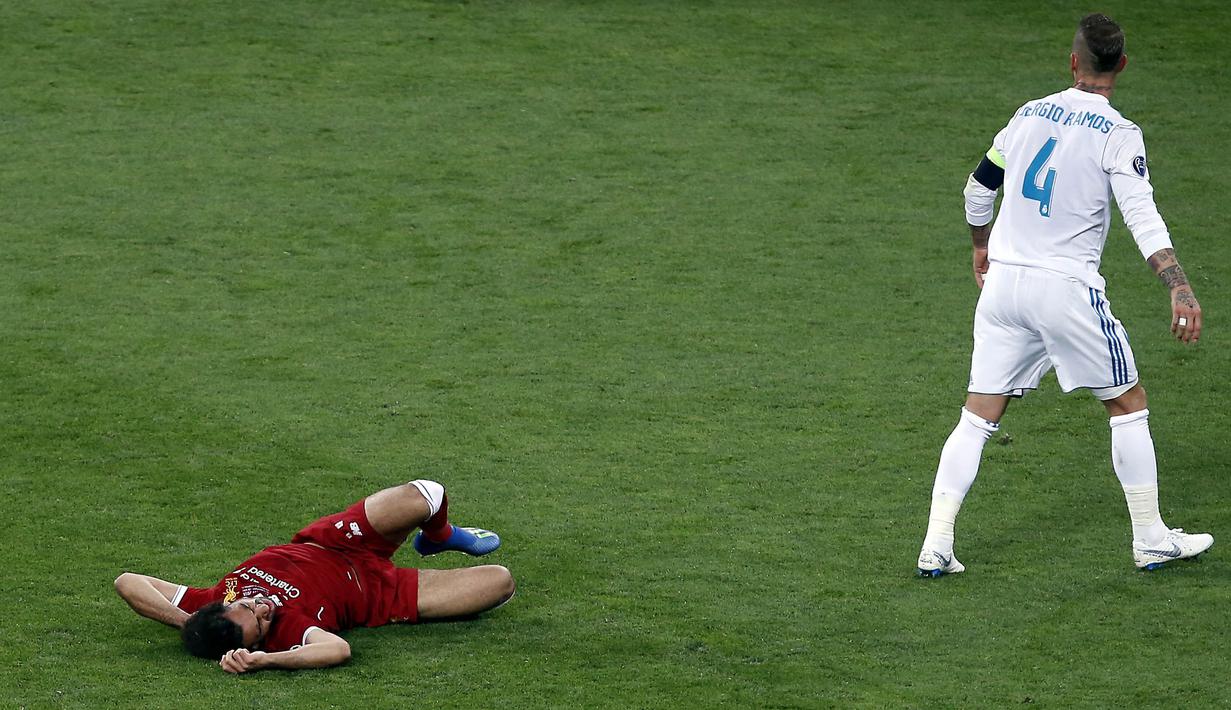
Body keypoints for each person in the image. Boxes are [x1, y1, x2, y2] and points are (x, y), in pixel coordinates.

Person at [916, 13, 1213, 577]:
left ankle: (937, 543)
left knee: (977, 415)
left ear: (1073, 61)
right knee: (1128, 404)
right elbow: (1141, 215)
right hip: (1065, 289)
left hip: (1003, 287)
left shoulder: (1026, 116)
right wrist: (1179, 286)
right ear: (1121, 66)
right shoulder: (1118, 133)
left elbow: (979, 188)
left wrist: (981, 245)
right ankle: (1150, 538)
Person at [115, 479, 514, 672]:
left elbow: (127, 581)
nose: (263, 606)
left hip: (334, 543)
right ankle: (436, 545)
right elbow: (338, 650)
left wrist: (187, 624)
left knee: (428, 494)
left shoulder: (207, 606)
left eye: (248, 605)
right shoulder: (288, 636)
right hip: (379, 593)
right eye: (261, 622)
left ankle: (440, 537)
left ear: (221, 604)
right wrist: (265, 660)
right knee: (500, 582)